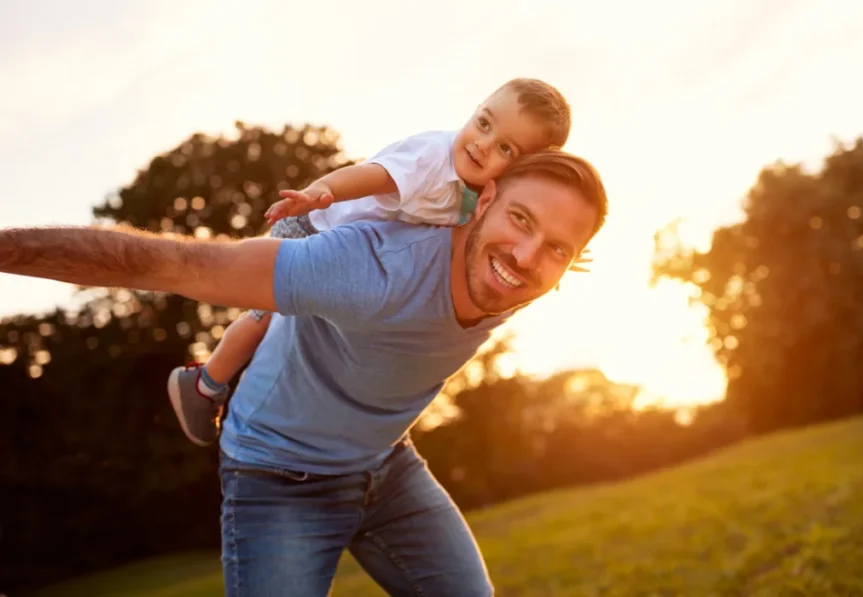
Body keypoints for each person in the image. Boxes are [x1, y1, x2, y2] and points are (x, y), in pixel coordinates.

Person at [0, 149, 608, 596]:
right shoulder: (369, 268)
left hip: (385, 466)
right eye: (522, 221)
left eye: (558, 249)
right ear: (488, 198)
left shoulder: (515, 278)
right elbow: (175, 263)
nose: (526, 257)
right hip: (278, 476)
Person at [169, 78, 574, 448]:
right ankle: (205, 384)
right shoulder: (431, 159)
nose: (483, 144)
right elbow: (373, 175)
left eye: (506, 148)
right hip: (314, 225)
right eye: (484, 123)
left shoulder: (487, 192)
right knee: (266, 316)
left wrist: (558, 250)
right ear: (476, 108)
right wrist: (322, 190)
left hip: (361, 259)